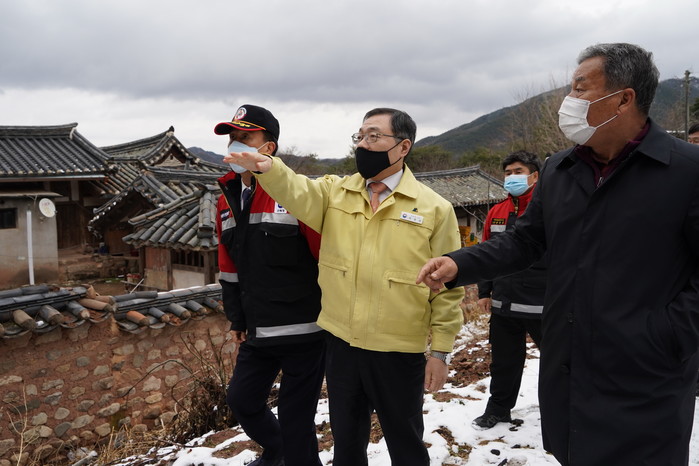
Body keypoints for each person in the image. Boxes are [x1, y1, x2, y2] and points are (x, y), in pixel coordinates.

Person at [417, 43, 699, 466]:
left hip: (647, 378)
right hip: (567, 369)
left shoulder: (686, 170)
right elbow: (527, 241)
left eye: (581, 89)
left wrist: (665, 336)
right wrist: (461, 263)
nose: (569, 101)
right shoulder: (560, 169)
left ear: (624, 99)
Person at [224, 108, 465, 466]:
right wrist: (268, 167)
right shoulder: (335, 193)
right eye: (360, 136)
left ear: (402, 147)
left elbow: (447, 288)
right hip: (343, 346)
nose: (363, 144)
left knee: (405, 442)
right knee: (347, 444)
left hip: (398, 350)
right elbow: (297, 189)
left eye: (373, 136)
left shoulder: (434, 209)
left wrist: (441, 351)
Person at [215, 104, 326, 466]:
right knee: (242, 400)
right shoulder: (225, 200)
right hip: (257, 331)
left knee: (297, 420)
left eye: (245, 137)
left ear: (268, 148)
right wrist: (237, 319)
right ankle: (277, 450)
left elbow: (325, 258)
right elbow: (228, 266)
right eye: (233, 138)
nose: (235, 144)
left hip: (304, 331)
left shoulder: (296, 195)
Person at [473, 150, 545, 430]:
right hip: (504, 303)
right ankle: (498, 409)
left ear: (534, 175)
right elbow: (486, 252)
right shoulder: (497, 211)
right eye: (508, 173)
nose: (512, 177)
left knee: (557, 362)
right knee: (504, 362)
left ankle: (560, 410)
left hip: (543, 303)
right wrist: (483, 292)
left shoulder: (547, 209)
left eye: (518, 171)